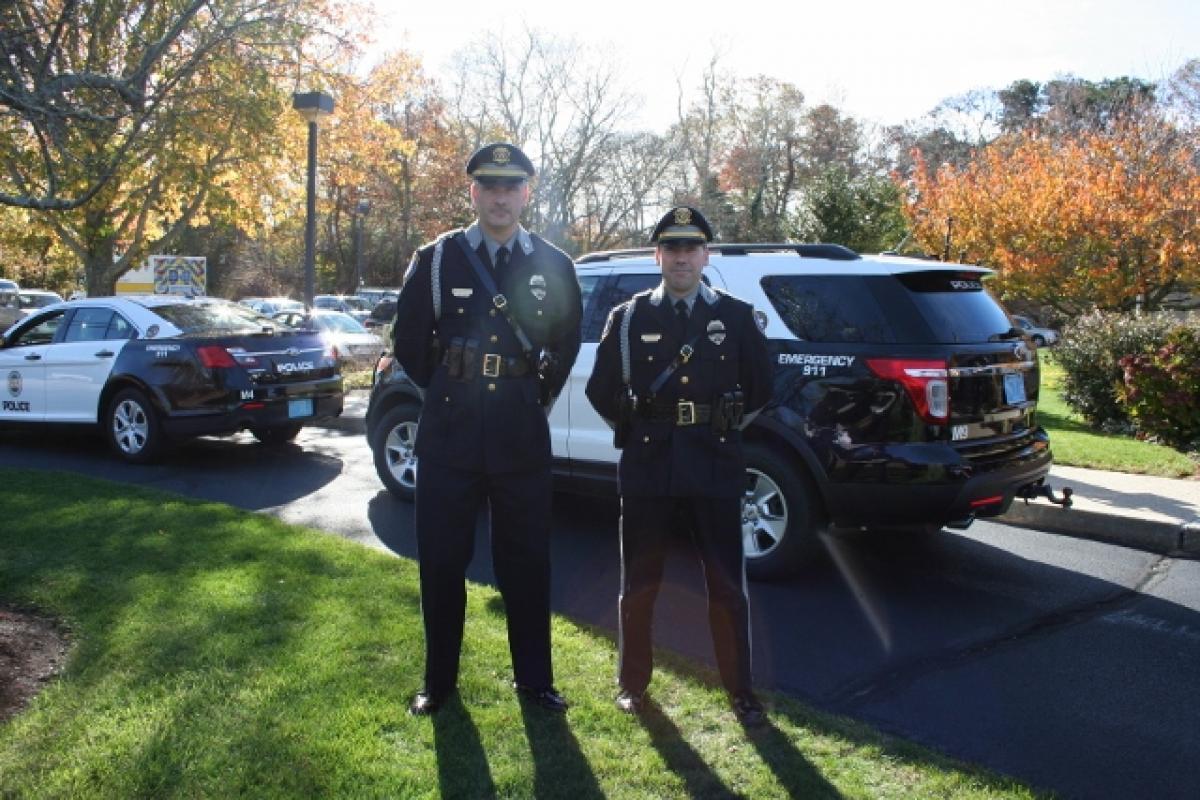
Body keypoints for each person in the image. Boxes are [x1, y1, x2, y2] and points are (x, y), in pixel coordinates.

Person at [392, 142, 582, 716]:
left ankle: (535, 682)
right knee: (442, 561)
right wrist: (448, 387)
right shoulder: (436, 260)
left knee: (527, 561)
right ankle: (438, 683)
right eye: (490, 187)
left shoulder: (554, 263)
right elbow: (409, 341)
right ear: (473, 192)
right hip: (450, 432)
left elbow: (567, 341)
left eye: (511, 187)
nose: (501, 197)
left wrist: (532, 395)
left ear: (526, 193)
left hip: (519, 433)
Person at [585, 206, 774, 725]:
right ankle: (632, 685)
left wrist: (724, 426)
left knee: (727, 587)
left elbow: (761, 387)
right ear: (658, 256)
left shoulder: (736, 317)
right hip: (649, 465)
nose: (682, 257)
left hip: (714, 463)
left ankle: (740, 691)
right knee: (640, 582)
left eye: (691, 248)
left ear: (706, 255)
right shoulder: (628, 318)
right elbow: (601, 389)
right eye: (672, 248)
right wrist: (637, 424)